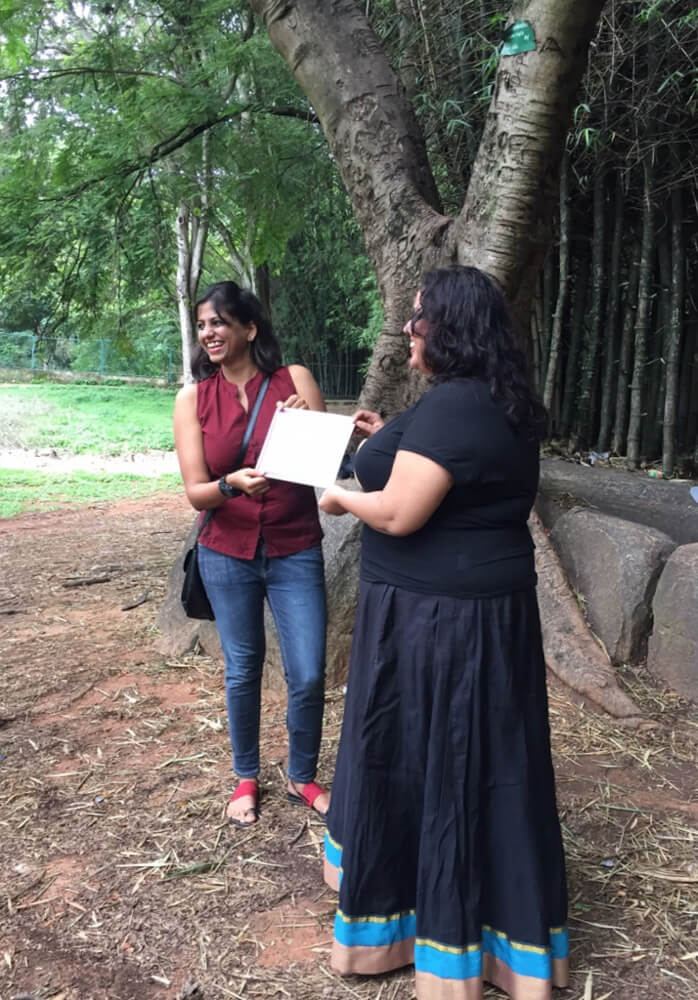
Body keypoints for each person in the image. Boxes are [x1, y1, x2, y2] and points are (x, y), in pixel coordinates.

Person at [318, 265, 568, 1000]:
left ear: (454, 329)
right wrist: (382, 434)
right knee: (481, 758)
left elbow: (398, 513)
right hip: (472, 610)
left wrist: (339, 496)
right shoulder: (496, 401)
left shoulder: (456, 409)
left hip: (440, 622)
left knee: (440, 759)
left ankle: (441, 939)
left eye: (421, 318)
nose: (407, 329)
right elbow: (442, 469)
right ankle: (487, 924)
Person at [174, 281, 330, 827]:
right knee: (242, 668)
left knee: (308, 671)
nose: (209, 333)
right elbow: (196, 491)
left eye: (218, 322)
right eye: (202, 325)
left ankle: (302, 776)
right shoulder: (193, 398)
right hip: (226, 552)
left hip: (294, 546)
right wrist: (232, 485)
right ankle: (246, 776)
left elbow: (321, 473)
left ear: (249, 328)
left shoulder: (297, 381)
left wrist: (303, 422)